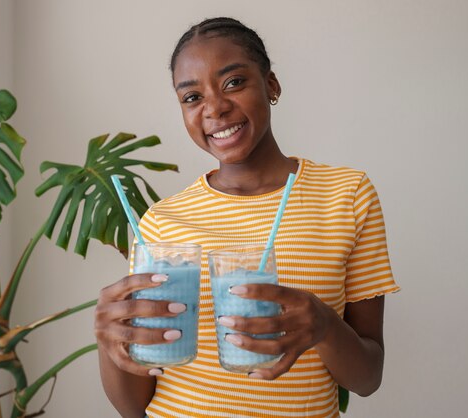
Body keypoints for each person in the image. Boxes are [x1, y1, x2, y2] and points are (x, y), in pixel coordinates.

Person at [95, 17, 399, 418]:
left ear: (271, 85)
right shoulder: (160, 223)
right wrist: (109, 341)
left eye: (234, 82)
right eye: (192, 98)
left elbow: (367, 378)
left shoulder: (346, 195)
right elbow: (133, 406)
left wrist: (323, 324)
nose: (215, 108)